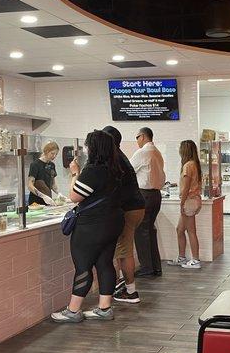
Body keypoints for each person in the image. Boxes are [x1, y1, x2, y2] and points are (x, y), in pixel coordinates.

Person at [51, 130, 124, 323]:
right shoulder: (116, 169)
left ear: (93, 148)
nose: (85, 148)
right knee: (105, 263)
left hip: (91, 226)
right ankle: (104, 308)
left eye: (86, 145)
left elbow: (75, 196)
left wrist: (75, 173)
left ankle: (73, 311)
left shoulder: (93, 171)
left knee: (83, 266)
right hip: (113, 222)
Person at [102, 126, 145, 303]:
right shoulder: (121, 156)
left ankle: (131, 292)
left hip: (128, 209)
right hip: (137, 206)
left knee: (124, 250)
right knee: (123, 248)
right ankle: (123, 285)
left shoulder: (114, 159)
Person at [130, 127, 166, 277]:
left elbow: (127, 171)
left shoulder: (142, 152)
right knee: (150, 230)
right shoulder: (157, 152)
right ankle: (155, 266)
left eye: (137, 137)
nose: (137, 141)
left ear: (143, 136)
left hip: (145, 195)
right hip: (156, 195)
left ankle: (146, 267)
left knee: (141, 231)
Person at [168, 140, 203, 269]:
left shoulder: (188, 165)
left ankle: (195, 260)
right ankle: (182, 257)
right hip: (193, 200)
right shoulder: (195, 164)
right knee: (180, 229)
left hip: (188, 201)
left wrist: (181, 203)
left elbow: (186, 187)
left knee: (191, 231)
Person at [27, 142, 66, 206]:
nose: (54, 156)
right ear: (46, 151)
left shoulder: (52, 165)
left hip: (48, 200)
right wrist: (43, 196)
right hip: (35, 202)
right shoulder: (35, 165)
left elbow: (53, 184)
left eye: (56, 154)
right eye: (52, 153)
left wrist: (59, 193)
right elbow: (30, 185)